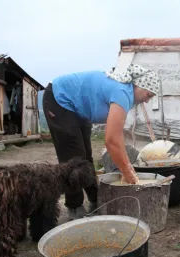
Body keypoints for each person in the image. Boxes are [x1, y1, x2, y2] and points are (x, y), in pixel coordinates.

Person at [43, 64, 161, 220]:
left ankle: (95, 199)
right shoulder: (122, 93)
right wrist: (128, 173)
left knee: (85, 157)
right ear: (139, 86)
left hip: (77, 108)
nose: (147, 100)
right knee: (73, 159)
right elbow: (111, 141)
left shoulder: (126, 94)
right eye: (148, 95)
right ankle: (74, 207)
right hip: (59, 99)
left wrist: (128, 167)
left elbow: (117, 136)